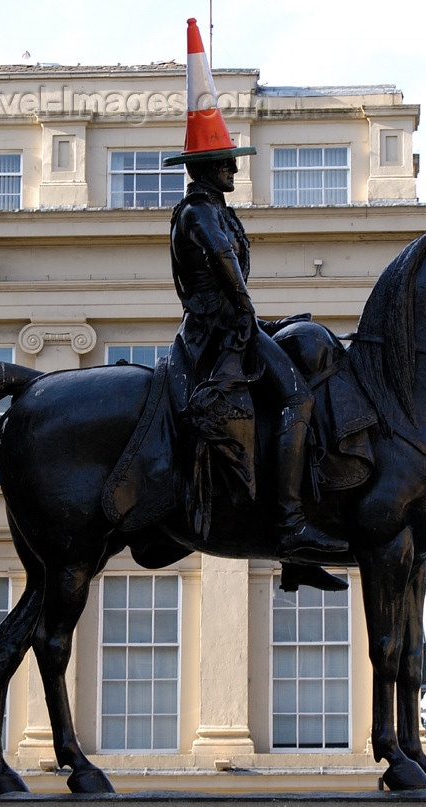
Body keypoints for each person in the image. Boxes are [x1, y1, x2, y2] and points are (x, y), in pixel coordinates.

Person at [168, 153, 348, 560]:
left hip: (234, 325)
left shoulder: (215, 211)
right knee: (297, 398)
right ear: (206, 169)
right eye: (226, 164)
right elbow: (222, 260)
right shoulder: (198, 212)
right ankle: (290, 524)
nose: (233, 170)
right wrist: (251, 315)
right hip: (217, 333)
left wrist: (265, 322)